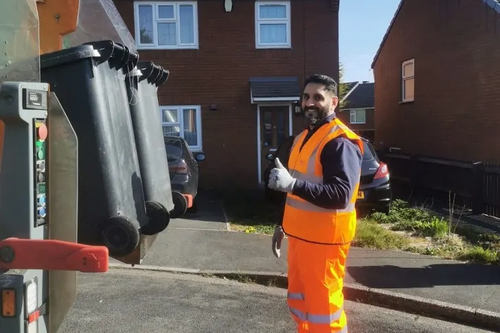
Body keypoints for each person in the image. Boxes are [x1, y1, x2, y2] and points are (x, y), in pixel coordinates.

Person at [268, 73, 363, 333]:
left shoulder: (339, 142)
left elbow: (341, 194)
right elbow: (294, 189)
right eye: (306, 97)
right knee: (302, 306)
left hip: (324, 244)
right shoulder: (301, 139)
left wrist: (292, 185)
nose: (310, 103)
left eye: (318, 98)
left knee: (325, 313)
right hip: (301, 239)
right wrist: (281, 224)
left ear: (333, 102)